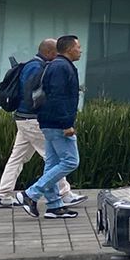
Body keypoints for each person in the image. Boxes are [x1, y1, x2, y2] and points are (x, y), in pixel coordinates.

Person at [0, 38, 80, 209]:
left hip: (22, 118)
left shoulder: (30, 65)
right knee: (54, 158)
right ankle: (63, 194)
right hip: (33, 119)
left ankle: (2, 195)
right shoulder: (38, 68)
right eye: (56, 53)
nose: (58, 56)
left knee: (17, 158)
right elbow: (38, 95)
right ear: (48, 53)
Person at [15, 34, 83, 220]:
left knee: (52, 163)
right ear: (69, 49)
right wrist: (67, 124)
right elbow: (58, 96)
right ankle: (30, 194)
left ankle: (54, 206)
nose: (80, 50)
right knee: (71, 161)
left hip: (48, 122)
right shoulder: (62, 67)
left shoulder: (56, 66)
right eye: (78, 47)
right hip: (58, 123)